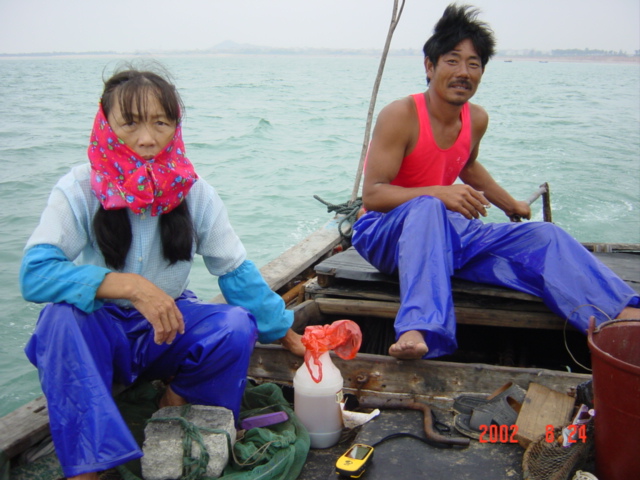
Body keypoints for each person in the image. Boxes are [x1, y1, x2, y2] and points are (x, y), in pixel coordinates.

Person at [19, 66, 304, 480]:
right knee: (60, 319)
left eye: (160, 123)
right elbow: (36, 274)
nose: (147, 139)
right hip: (101, 336)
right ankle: (88, 470)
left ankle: (172, 409)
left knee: (236, 325)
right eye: (130, 123)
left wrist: (286, 331)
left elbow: (234, 270)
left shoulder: (194, 191)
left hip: (164, 331)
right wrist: (131, 287)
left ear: (176, 127)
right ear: (105, 123)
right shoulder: (78, 188)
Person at [351, 4, 640, 361]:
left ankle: (619, 310)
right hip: (383, 233)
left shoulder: (476, 119)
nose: (463, 72)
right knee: (427, 207)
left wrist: (509, 203)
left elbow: (467, 165)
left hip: (444, 230)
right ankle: (418, 326)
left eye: (474, 64)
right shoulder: (401, 115)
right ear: (430, 66)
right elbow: (374, 194)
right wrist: (440, 193)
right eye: (453, 61)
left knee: (544, 236)